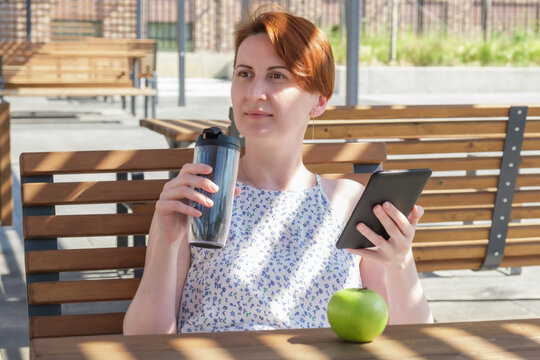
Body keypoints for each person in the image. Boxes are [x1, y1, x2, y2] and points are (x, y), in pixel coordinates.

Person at [123, 5, 433, 335]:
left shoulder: (349, 203)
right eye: (244, 74)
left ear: (319, 101)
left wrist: (401, 262)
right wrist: (165, 239)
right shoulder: (199, 197)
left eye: (276, 76)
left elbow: (412, 339)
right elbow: (145, 342)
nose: (255, 93)